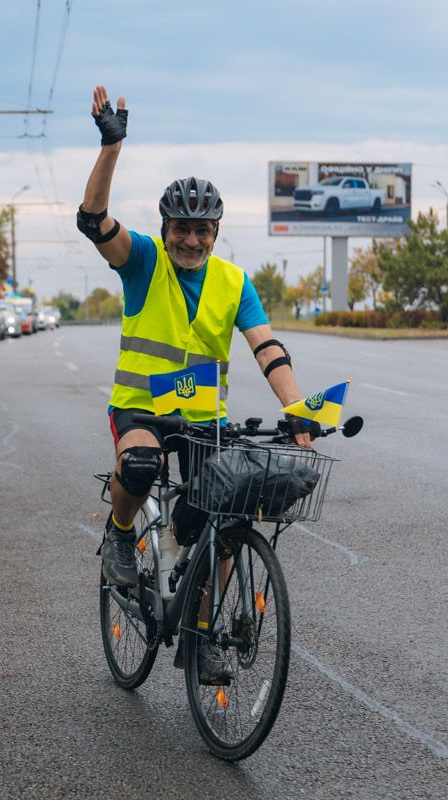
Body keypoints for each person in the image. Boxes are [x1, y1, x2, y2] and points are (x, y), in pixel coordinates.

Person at [80, 85, 311, 596]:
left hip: (204, 416)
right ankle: (120, 534)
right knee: (142, 463)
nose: (191, 240)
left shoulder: (234, 281)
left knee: (224, 516)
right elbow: (94, 222)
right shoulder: (143, 260)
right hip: (141, 410)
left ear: (216, 230)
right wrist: (111, 149)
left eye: (202, 230)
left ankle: (203, 630)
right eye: (181, 228)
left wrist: (297, 407)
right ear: (165, 228)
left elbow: (268, 350)